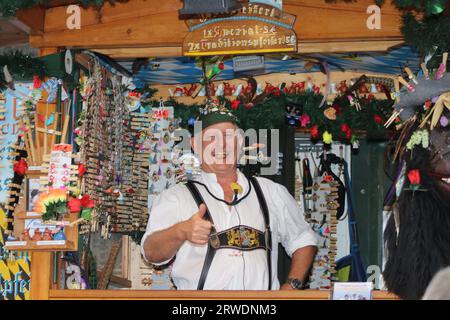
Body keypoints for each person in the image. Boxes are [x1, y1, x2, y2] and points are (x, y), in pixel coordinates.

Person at [141, 102, 318, 290]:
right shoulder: (176, 197)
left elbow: (303, 239)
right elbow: (151, 253)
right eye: (211, 137)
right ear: (195, 145)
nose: (221, 145)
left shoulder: (271, 192)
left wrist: (292, 285)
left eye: (228, 136)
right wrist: (181, 231)